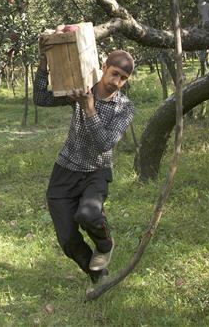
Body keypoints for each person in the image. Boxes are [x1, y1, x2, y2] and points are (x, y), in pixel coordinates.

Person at [34, 40, 135, 285]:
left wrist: (90, 110)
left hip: (96, 171)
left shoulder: (125, 108)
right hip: (65, 169)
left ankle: (105, 243)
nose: (116, 82)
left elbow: (105, 144)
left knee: (88, 215)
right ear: (104, 66)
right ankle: (97, 275)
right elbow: (41, 98)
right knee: (68, 239)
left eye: (122, 78)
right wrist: (44, 62)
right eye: (114, 74)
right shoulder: (81, 88)